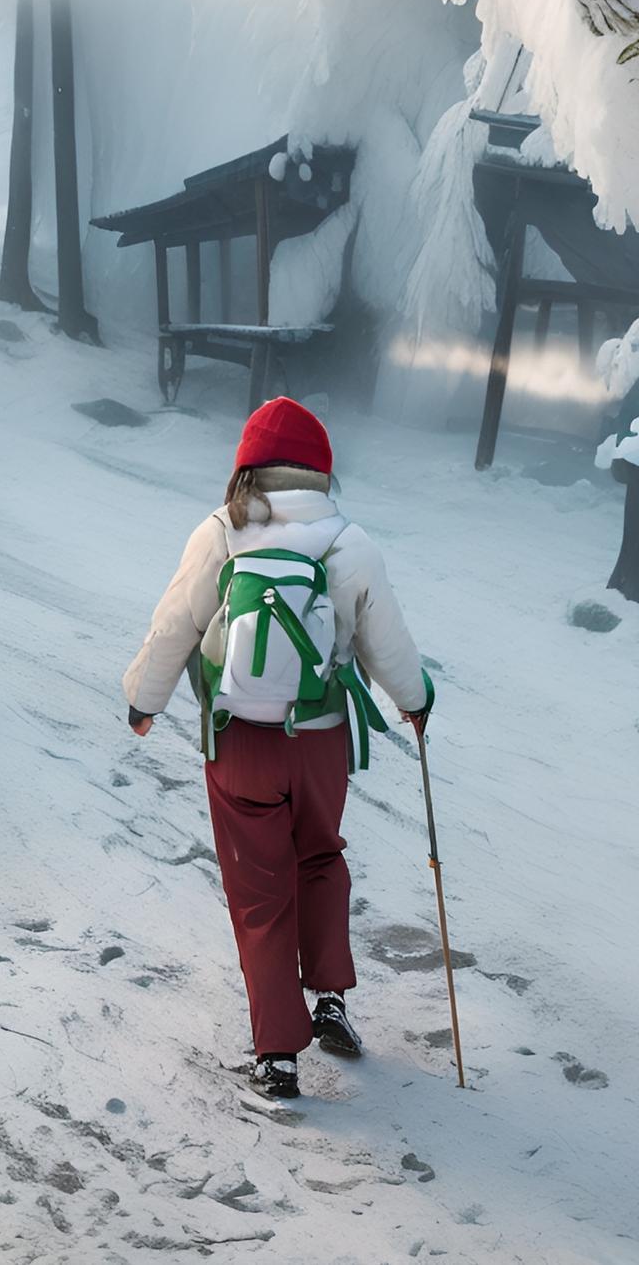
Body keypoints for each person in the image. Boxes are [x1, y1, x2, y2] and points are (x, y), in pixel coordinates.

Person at [122, 396, 433, 1099]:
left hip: (239, 743)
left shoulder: (220, 533)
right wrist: (414, 702)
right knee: (319, 856)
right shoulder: (349, 542)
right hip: (320, 741)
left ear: (247, 468)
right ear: (318, 471)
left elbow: (174, 626)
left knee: (259, 892)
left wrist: (145, 700)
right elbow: (387, 641)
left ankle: (278, 1056)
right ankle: (331, 1000)